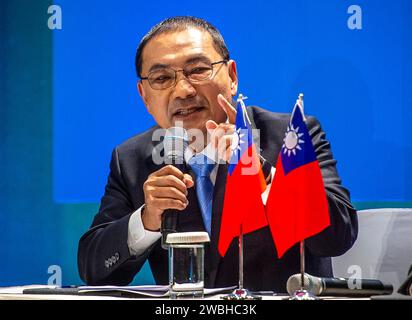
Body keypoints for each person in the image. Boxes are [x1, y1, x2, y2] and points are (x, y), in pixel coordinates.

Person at [77, 16, 358, 292]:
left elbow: (338, 236)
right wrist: (147, 219)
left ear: (232, 76)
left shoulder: (290, 136)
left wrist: (261, 171)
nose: (183, 90)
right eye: (162, 78)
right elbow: (93, 269)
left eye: (198, 70)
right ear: (144, 96)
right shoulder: (132, 159)